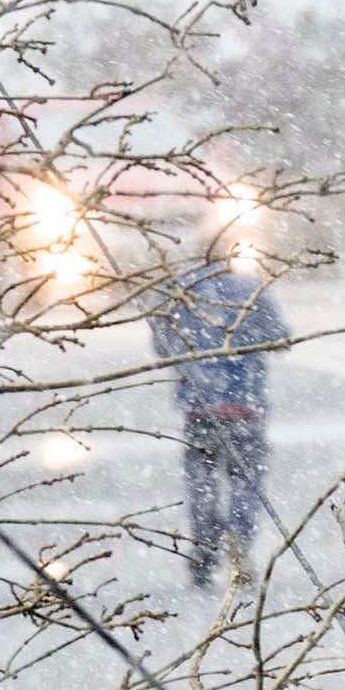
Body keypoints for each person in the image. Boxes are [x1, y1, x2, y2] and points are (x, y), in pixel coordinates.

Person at [146, 241, 291, 584]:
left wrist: (189, 363)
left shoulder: (185, 291)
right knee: (246, 479)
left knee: (202, 481)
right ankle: (238, 536)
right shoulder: (250, 290)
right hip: (245, 407)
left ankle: (205, 548)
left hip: (200, 407)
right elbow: (281, 337)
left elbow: (162, 344)